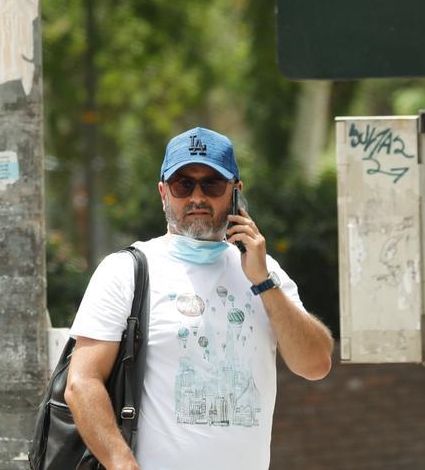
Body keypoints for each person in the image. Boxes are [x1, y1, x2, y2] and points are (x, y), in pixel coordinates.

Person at [65, 126, 334, 470]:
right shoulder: (126, 270)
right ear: (163, 192)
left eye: (212, 184)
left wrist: (262, 281)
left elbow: (315, 365)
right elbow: (82, 382)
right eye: (183, 184)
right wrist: (122, 464)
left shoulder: (264, 271)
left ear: (235, 192)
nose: (197, 197)